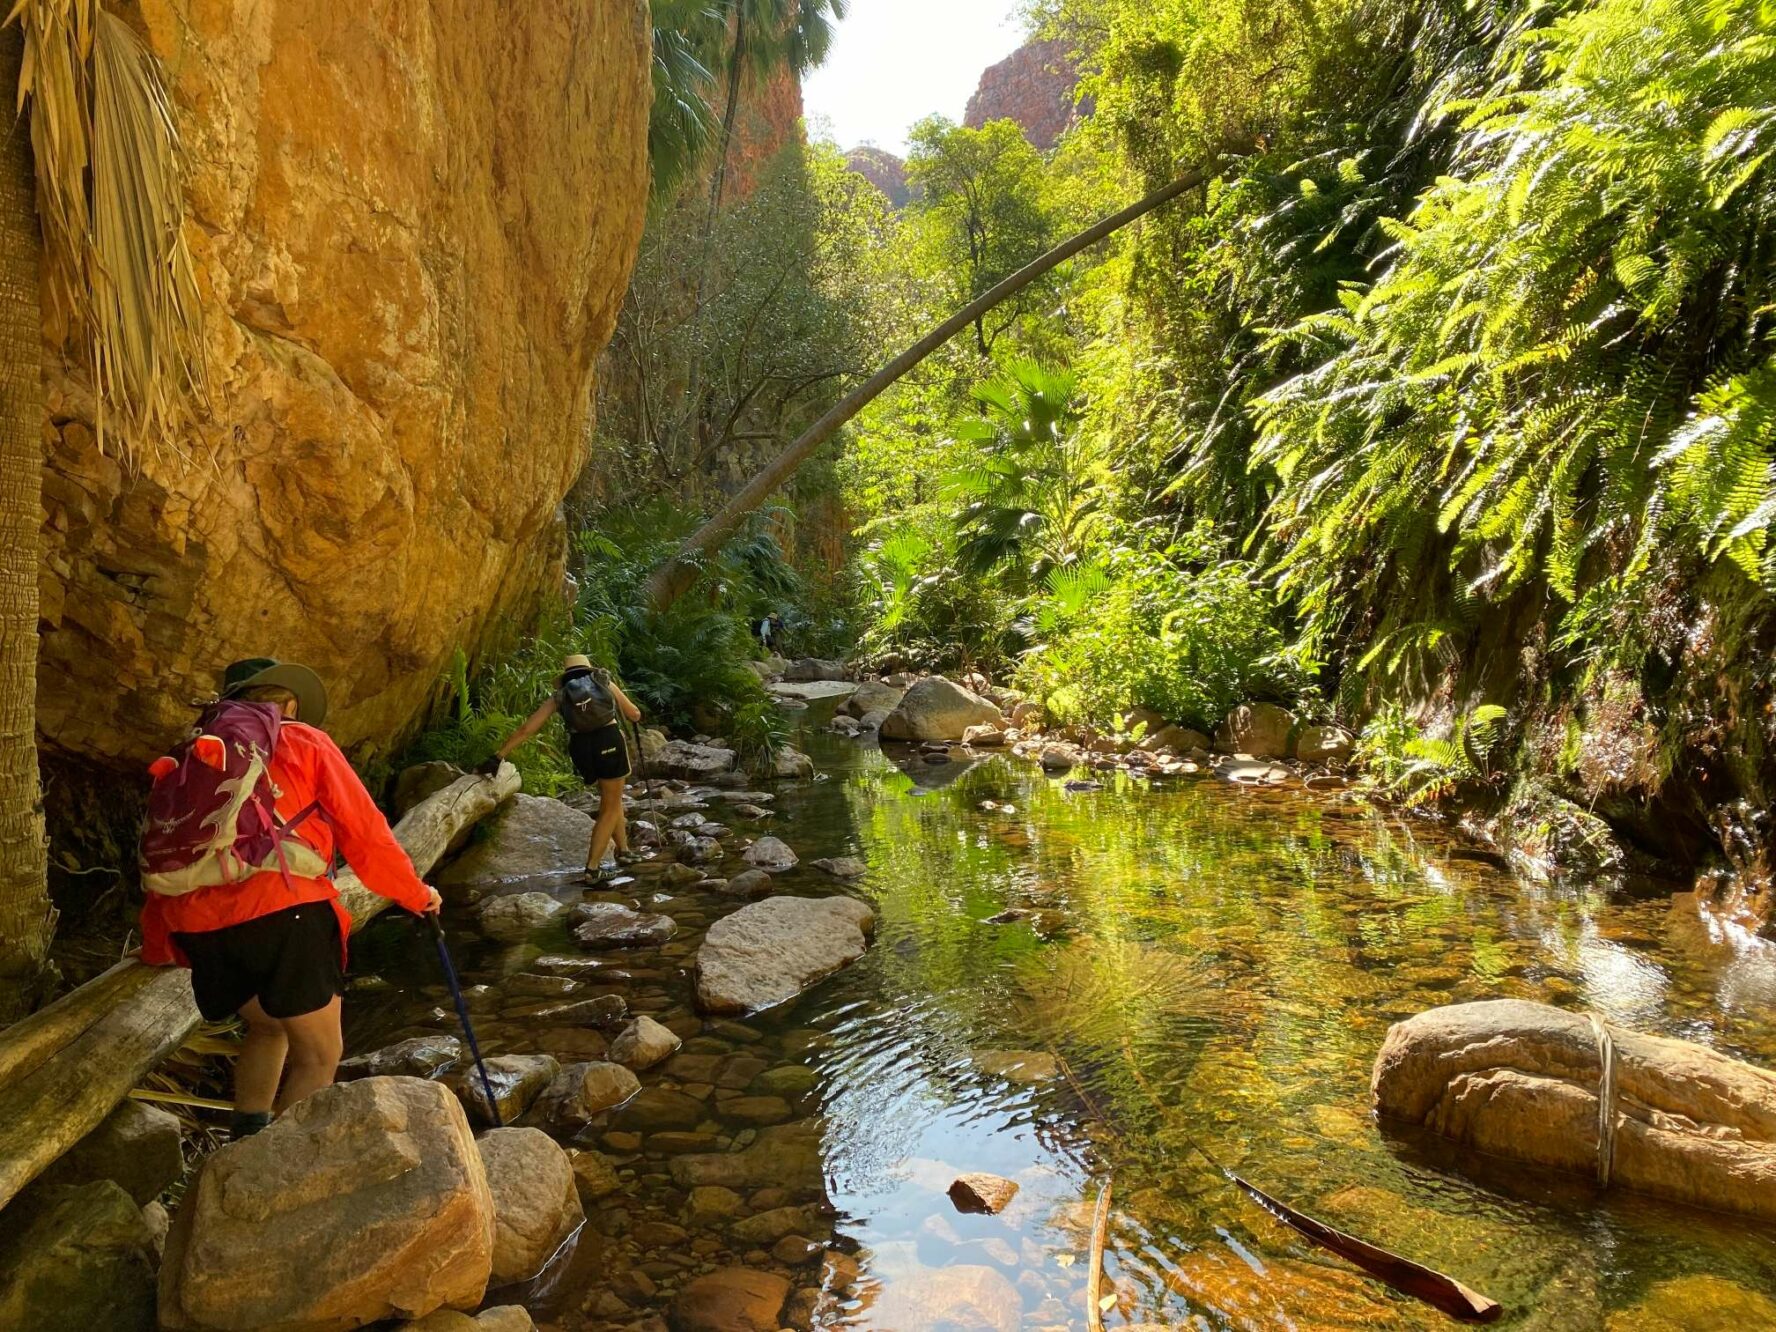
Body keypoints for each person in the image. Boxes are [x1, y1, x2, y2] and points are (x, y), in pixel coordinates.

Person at [139, 658, 442, 1138]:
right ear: (289, 704)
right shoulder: (305, 741)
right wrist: (415, 895)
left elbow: (165, 855)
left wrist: (159, 944)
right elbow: (365, 833)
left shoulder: (190, 758)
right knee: (320, 1056)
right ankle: (269, 1176)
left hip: (198, 929)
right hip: (286, 912)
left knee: (268, 1026)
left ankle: (247, 1135)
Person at [482, 653, 644, 880]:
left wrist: (498, 756)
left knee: (610, 797)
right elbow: (634, 713)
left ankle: (624, 850)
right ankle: (593, 869)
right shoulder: (602, 681)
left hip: (581, 748)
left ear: (566, 675)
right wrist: (634, 718)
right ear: (588, 669)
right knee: (610, 805)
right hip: (609, 742)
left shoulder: (560, 696)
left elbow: (527, 729)